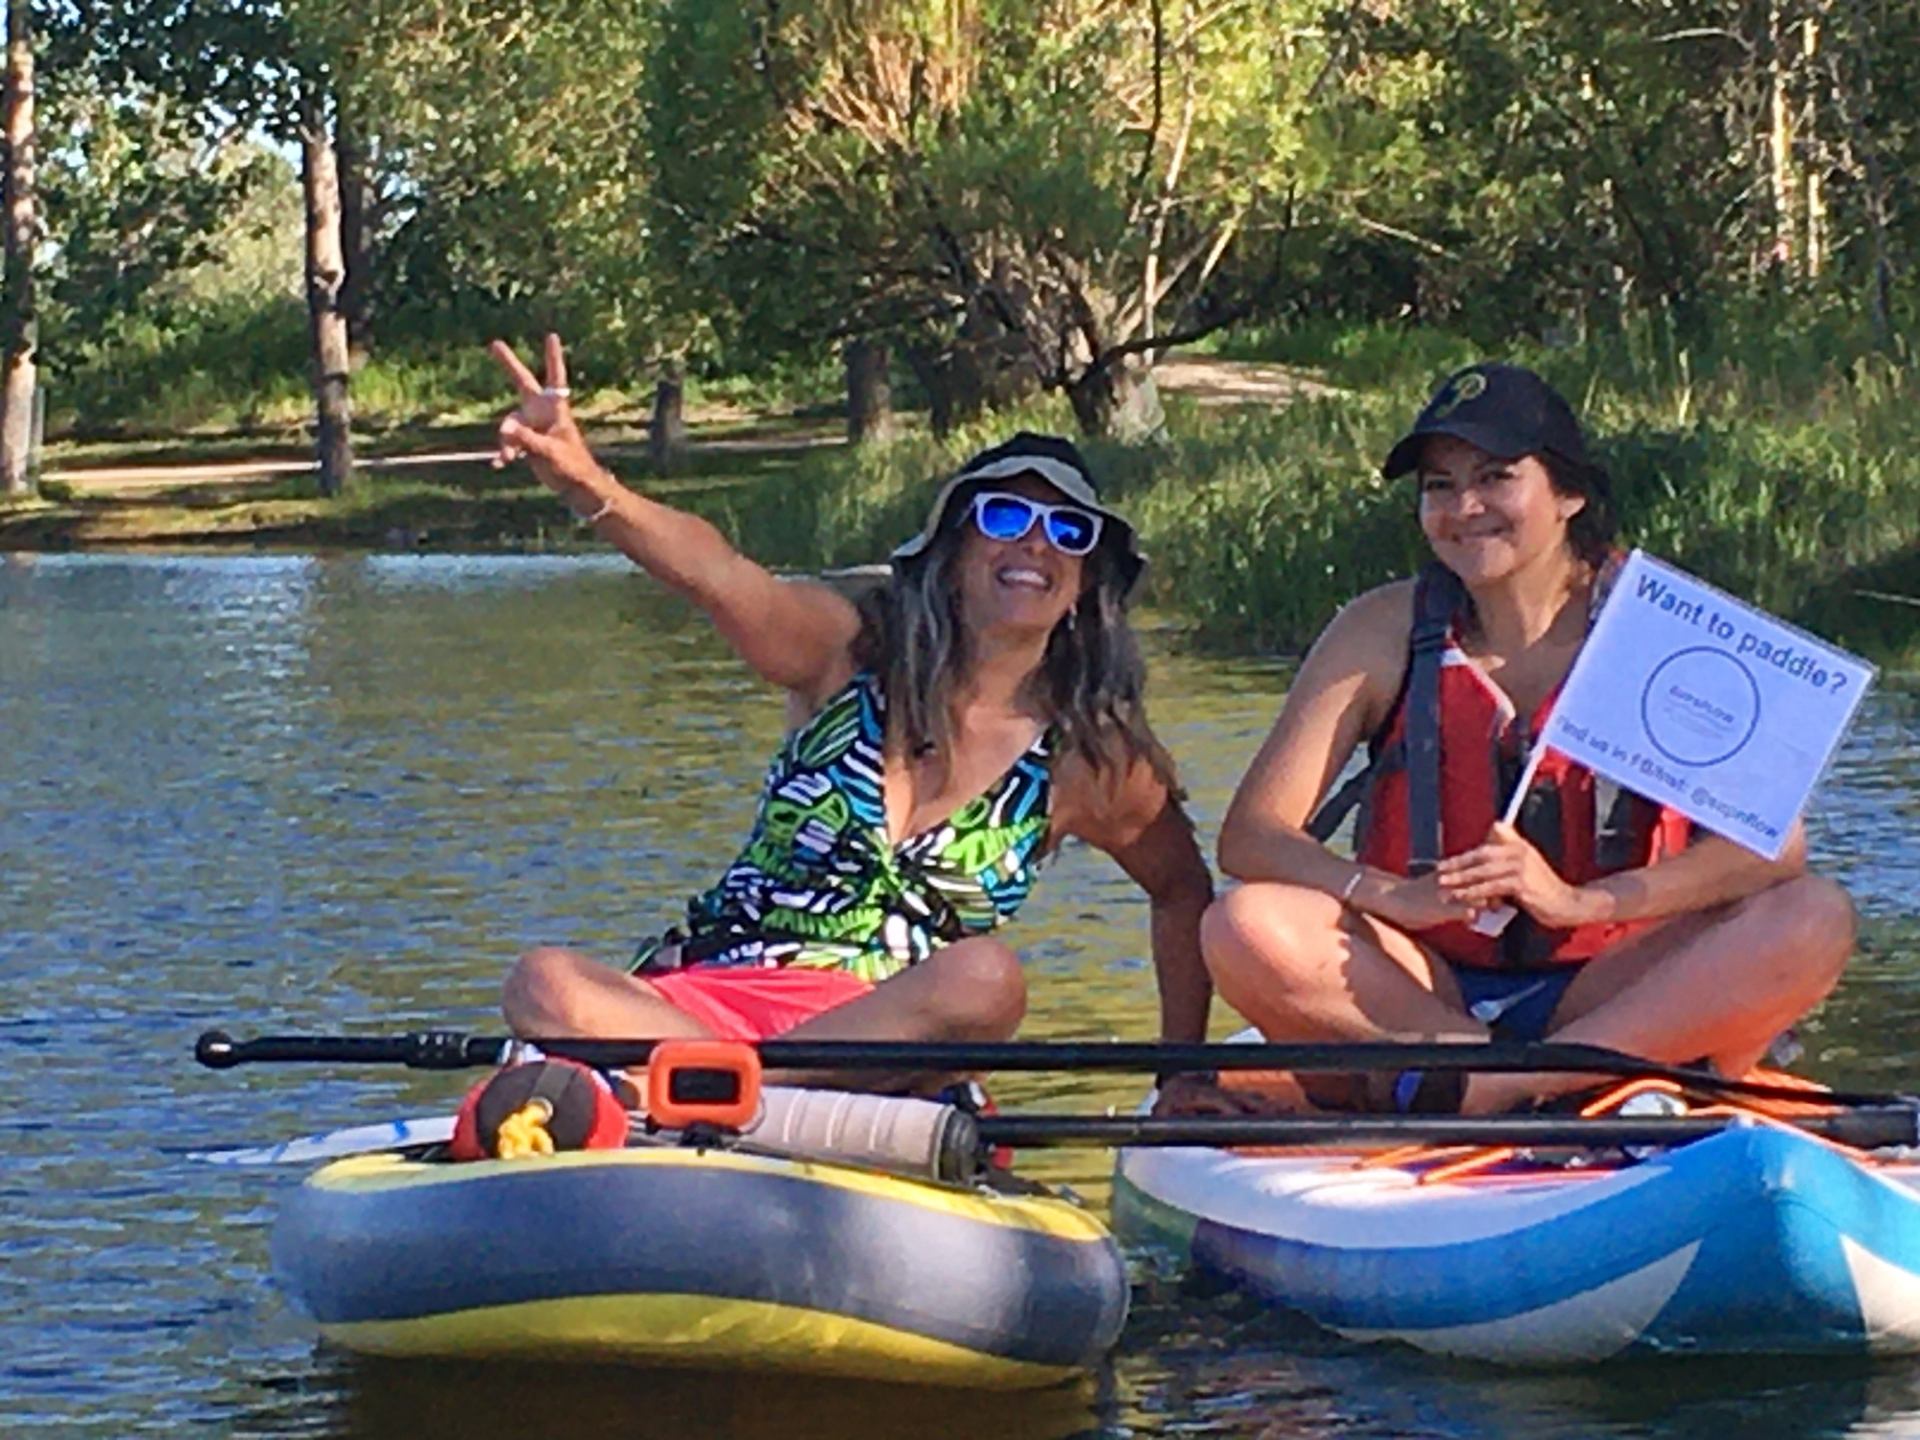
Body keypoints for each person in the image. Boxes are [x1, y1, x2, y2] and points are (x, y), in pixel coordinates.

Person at [485, 334, 1214, 1063]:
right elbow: (716, 572)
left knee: (988, 979)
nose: (1033, 545)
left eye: (1067, 530)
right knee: (542, 982)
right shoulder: (845, 653)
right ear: (953, 553)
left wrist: (1180, 1074)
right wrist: (589, 486)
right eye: (1003, 519)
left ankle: (724, 1094)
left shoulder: (1089, 757)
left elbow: (1182, 892)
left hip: (884, 1039)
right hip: (707, 998)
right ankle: (740, 1088)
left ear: (1086, 584)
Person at [1201, 362, 1854, 1114]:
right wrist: (1395, 897)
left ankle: (1511, 1084)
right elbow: (1252, 837)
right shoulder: (1378, 629)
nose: (1464, 507)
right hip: (1424, 986)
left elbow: (1773, 846)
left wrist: (1582, 903)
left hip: (1611, 983)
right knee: (1242, 926)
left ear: (1570, 494)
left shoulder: (1660, 630)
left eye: (1496, 477)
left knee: (1814, 913)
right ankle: (1501, 1072)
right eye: (1438, 486)